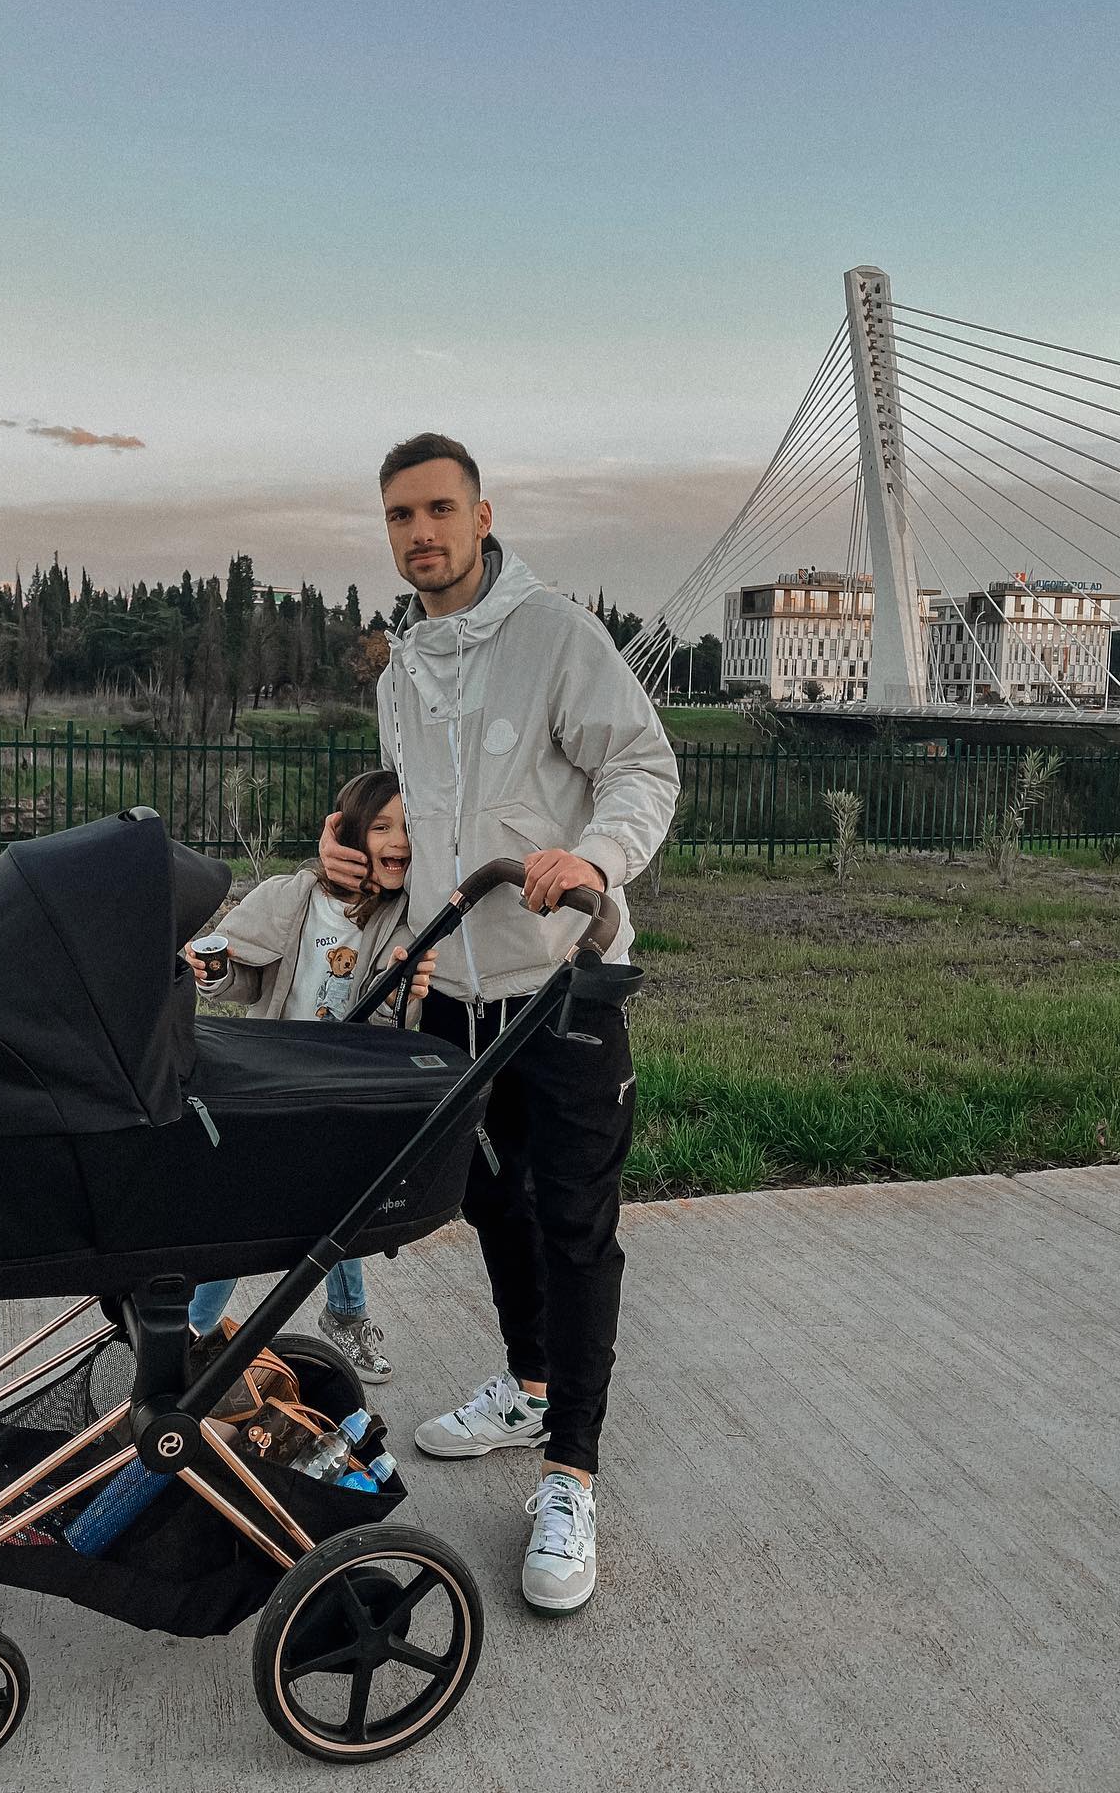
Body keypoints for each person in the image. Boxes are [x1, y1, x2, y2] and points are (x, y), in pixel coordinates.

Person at [319, 433, 679, 1613]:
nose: (419, 532)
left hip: (562, 985)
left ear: (482, 516)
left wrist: (595, 857)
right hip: (452, 998)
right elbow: (411, 823)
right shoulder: (401, 669)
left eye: (438, 509)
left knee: (573, 1223)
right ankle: (529, 1383)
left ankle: (571, 1472)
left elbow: (643, 767)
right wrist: (351, 851)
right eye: (399, 515)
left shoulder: (556, 635)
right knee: (486, 1198)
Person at [184, 768, 436, 1383]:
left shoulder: (405, 920)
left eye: (409, 828)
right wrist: (215, 972)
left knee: (342, 1201)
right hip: (276, 1076)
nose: (398, 841)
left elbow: (393, 1023)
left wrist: (403, 996)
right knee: (245, 1205)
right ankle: (193, 1329)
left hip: (343, 1082)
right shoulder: (290, 898)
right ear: (349, 833)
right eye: (382, 826)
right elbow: (246, 977)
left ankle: (345, 1315)